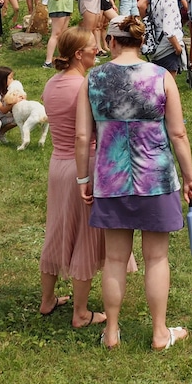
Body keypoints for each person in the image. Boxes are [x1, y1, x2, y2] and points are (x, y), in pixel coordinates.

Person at [76, 17, 192, 350]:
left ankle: (112, 332)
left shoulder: (94, 77)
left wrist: (83, 179)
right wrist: (189, 178)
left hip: (110, 179)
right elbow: (178, 133)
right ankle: (160, 333)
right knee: (156, 258)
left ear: (112, 42)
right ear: (140, 42)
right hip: (156, 179)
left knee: (115, 260)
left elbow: (81, 136)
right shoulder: (161, 77)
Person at [39, 25, 130, 327]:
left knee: (57, 230)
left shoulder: (52, 83)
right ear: (79, 54)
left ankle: (47, 299)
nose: (98, 50)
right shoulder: (84, 85)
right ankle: (80, 312)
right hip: (84, 166)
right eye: (93, 47)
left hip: (58, 165)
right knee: (85, 238)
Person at [147, 0, 186, 74]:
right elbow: (168, 30)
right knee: (168, 85)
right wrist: (178, 48)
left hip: (158, 44)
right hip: (168, 48)